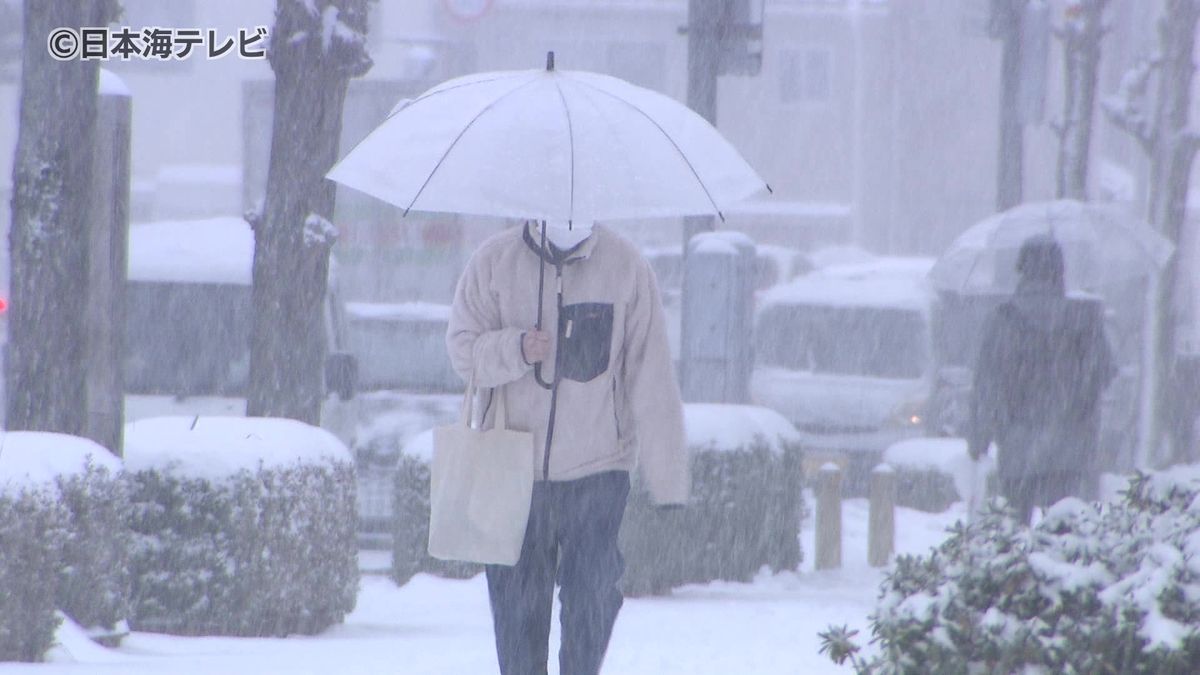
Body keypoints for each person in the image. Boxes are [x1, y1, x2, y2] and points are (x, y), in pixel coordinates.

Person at [446, 218, 689, 675]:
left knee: (592, 601)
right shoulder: (493, 262)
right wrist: (515, 349)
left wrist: (667, 477)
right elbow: (462, 351)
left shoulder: (626, 267)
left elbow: (651, 376)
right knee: (517, 624)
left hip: (598, 469)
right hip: (511, 469)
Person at [967, 234, 1115, 524]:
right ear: (1060, 272)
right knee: (1067, 536)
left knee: (1014, 536)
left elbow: (987, 385)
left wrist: (980, 437)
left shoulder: (1003, 320)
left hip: (1018, 449)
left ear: (1022, 271)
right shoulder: (1083, 318)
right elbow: (1104, 372)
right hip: (1070, 449)